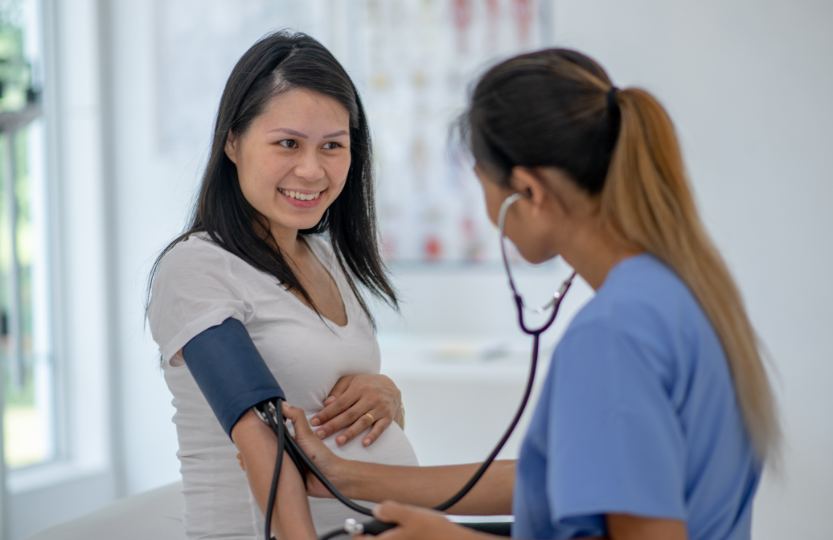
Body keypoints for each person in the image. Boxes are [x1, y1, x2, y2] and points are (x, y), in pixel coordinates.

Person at [280, 48, 781, 540]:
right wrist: (347, 476)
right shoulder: (675, 297)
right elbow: (564, 479)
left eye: (485, 187)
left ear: (530, 193)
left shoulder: (612, 337)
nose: (487, 210)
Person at [146, 32, 418, 540]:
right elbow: (258, 437)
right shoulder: (196, 268)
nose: (312, 170)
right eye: (287, 143)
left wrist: (389, 398)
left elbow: (324, 403)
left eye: (332, 146)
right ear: (232, 141)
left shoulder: (326, 256)